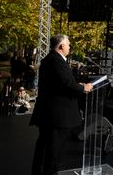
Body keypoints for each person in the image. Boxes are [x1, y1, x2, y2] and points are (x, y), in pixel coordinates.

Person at [31, 35, 93, 175]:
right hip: (56, 117)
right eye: (68, 45)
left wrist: (78, 85)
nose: (70, 47)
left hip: (51, 115)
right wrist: (84, 88)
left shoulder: (51, 59)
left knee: (45, 149)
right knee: (52, 152)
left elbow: (60, 84)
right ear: (61, 46)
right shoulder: (56, 61)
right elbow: (67, 84)